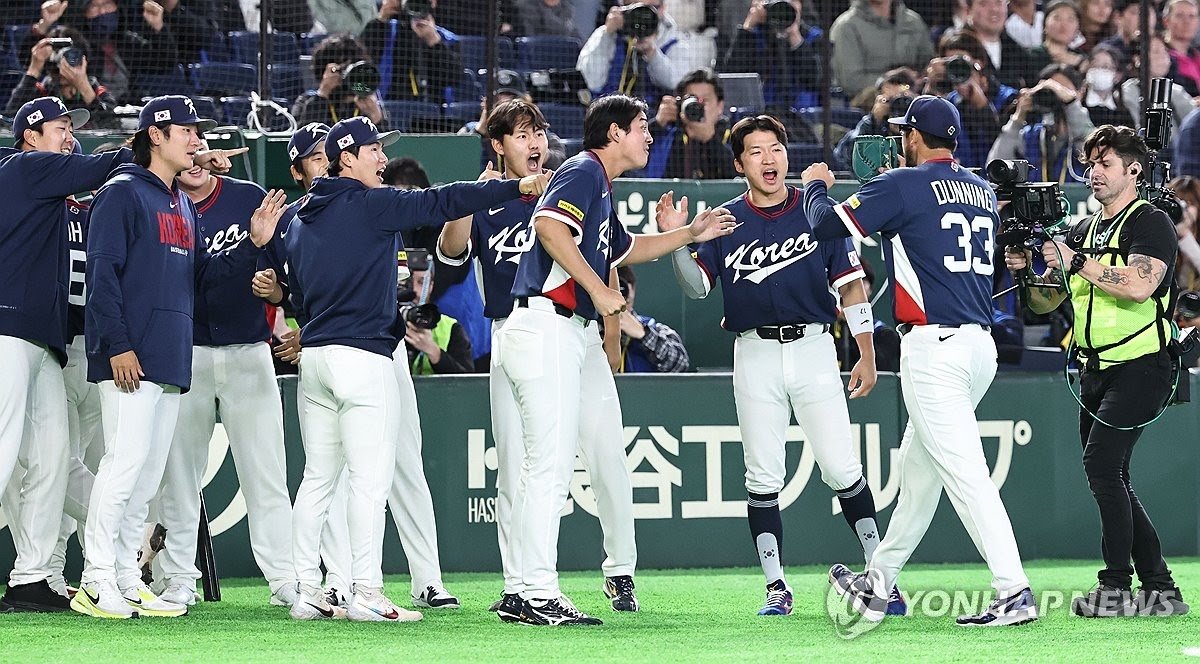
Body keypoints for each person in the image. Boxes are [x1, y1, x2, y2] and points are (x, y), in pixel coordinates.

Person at [284, 115, 549, 622]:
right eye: (373, 150)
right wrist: (514, 187)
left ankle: (309, 590)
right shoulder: (371, 204)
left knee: (317, 479)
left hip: (315, 360)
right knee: (369, 481)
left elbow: (295, 295)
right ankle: (365, 592)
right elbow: (441, 201)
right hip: (363, 358)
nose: (383, 159)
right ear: (347, 159)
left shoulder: (298, 219)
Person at [495, 93, 736, 626]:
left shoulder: (600, 183)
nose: (649, 135)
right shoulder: (583, 170)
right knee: (548, 464)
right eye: (640, 126)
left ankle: (554, 584)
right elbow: (549, 228)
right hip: (545, 325)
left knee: (603, 449)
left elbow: (627, 250)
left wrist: (689, 233)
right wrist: (599, 291)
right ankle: (534, 591)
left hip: (571, 333)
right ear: (613, 134)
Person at [802, 95, 1037, 627]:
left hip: (936, 349)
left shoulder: (902, 184)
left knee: (966, 474)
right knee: (918, 476)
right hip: (978, 347)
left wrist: (815, 185)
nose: (900, 139)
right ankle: (879, 583)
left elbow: (826, 226)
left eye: (904, 132)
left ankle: (1013, 589)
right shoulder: (980, 187)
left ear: (913, 137)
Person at [666, 113, 899, 616]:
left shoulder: (816, 210)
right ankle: (776, 586)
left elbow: (852, 287)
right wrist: (681, 241)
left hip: (814, 347)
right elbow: (697, 286)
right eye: (755, 151)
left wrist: (866, 352)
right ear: (739, 164)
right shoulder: (725, 220)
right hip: (754, 351)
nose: (768, 159)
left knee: (842, 466)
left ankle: (881, 576)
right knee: (762, 475)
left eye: (775, 148)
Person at [74, 95, 281, 619]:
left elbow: (200, 279)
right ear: (156, 135)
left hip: (168, 359)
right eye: (187, 130)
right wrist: (118, 345)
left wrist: (252, 243)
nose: (196, 140)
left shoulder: (179, 204)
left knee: (145, 480)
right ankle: (96, 578)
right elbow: (101, 277)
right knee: (122, 466)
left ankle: (126, 577)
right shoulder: (120, 193)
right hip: (130, 357)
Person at [437, 98, 642, 619]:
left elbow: (609, 254)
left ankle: (602, 572)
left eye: (539, 132)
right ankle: (523, 585)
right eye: (522, 134)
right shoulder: (490, 196)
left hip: (571, 329)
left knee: (593, 454)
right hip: (517, 329)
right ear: (498, 145)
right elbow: (450, 253)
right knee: (519, 467)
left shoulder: (568, 182)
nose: (534, 143)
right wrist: (473, 195)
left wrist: (610, 335)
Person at [1004, 125, 1189, 617]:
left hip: (1143, 364)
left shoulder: (1150, 221)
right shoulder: (1082, 229)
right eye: (1090, 164)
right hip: (1095, 369)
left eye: (1105, 164)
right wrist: (1026, 272)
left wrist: (1077, 261)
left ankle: (1116, 588)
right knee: (1112, 473)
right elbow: (1045, 303)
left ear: (1134, 170)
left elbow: (1139, 286)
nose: (1094, 173)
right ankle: (1161, 589)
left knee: (1103, 466)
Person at [0, 97, 133, 613]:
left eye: (71, 128)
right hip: (7, 331)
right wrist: (152, 150)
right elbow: (105, 165)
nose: (69, 136)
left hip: (42, 341)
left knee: (52, 458)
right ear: (30, 136)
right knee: (4, 452)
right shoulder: (26, 167)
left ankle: (31, 577)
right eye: (60, 127)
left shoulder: (49, 192)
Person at [149, 142, 296, 609]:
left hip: (248, 350)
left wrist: (276, 290)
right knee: (178, 476)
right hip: (185, 351)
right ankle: (178, 578)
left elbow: (283, 267)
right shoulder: (160, 202)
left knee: (267, 472)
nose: (196, 157)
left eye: (203, 145)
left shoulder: (247, 196)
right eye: (189, 148)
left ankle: (284, 578)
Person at [987, 64, 1094, 185]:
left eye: (1062, 88)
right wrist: (1017, 119)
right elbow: (995, 167)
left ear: (1080, 92)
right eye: (1051, 90)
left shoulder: (1087, 135)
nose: (1057, 94)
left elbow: (1093, 153)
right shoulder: (1031, 135)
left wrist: (1071, 103)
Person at [577, 0, 706, 99]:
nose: (643, 15)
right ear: (624, 7)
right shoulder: (606, 34)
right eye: (637, 8)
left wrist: (652, 52)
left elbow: (676, 84)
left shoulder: (675, 40)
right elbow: (589, 81)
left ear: (663, 8)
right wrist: (607, 34)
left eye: (651, 8)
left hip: (655, 120)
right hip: (609, 115)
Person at [721, 0, 823, 110]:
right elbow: (732, 76)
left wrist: (795, 37)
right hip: (760, 113)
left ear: (800, 4)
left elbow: (813, 81)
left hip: (802, 113)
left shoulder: (813, 36)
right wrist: (748, 27)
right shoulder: (754, 35)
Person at [4, 31, 118, 129]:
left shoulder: (95, 88)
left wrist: (84, 87)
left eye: (69, 57)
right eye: (57, 59)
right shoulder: (43, 91)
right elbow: (11, 119)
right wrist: (34, 69)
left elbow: (113, 124)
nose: (61, 67)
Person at [359, 0, 463, 103]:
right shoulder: (383, 30)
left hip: (430, 107)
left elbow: (455, 79)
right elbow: (362, 63)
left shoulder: (447, 39)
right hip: (386, 104)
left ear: (433, 2)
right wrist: (381, 19)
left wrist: (433, 40)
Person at [639, 68, 735, 179]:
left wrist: (710, 140)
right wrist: (657, 124)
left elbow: (741, 176)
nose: (698, 106)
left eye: (704, 100)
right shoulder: (668, 135)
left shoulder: (733, 136)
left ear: (720, 106)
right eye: (692, 99)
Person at [829, 0, 934, 99]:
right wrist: (892, 85)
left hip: (914, 102)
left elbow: (927, 64)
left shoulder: (914, 22)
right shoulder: (846, 26)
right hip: (865, 105)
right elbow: (851, 81)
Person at [291, 35, 389, 131]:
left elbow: (387, 140)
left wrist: (376, 117)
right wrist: (323, 94)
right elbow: (302, 137)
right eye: (340, 69)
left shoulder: (366, 104)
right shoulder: (305, 101)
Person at [403, 254, 475, 374]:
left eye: (422, 282)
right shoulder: (381, 324)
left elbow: (468, 381)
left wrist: (434, 352)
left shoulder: (450, 328)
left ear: (431, 285)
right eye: (407, 283)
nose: (414, 290)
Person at [611, 265, 690, 373]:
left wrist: (644, 334)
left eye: (622, 287)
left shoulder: (658, 330)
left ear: (632, 290)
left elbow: (681, 365)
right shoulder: (591, 331)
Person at [966, 0, 1050, 90]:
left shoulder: (1018, 53)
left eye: (999, 3)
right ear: (968, 11)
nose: (994, 9)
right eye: (984, 3)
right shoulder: (960, 48)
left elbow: (1034, 86)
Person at [1120, 37, 1195, 132]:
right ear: (1138, 59)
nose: (1163, 57)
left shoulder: (1176, 91)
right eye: (1156, 52)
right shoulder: (1129, 91)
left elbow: (1194, 123)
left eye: (1165, 51)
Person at [1082, 44, 1135, 128]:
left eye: (1105, 67)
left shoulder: (1123, 114)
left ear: (1118, 76)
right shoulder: (1079, 105)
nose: (1099, 70)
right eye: (1095, 65)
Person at [1164, 0, 1200, 96]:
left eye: (1191, 16)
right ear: (1166, 21)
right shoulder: (1160, 55)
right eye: (1180, 16)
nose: (1187, 22)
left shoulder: (1196, 55)